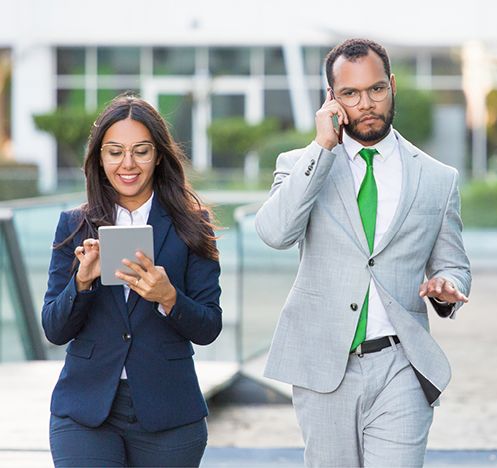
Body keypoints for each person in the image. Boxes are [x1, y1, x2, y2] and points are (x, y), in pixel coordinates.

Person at [255, 38, 471, 467]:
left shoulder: (436, 178)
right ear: (331, 99)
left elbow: (454, 264)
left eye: (376, 89)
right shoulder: (302, 163)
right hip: (323, 367)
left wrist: (449, 286)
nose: (366, 103)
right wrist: (322, 147)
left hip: (401, 365)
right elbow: (275, 233)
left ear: (391, 85)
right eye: (350, 94)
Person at [42, 94, 222, 467]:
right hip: (86, 410)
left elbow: (208, 327)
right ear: (99, 158)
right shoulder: (75, 225)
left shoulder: (192, 224)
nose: (128, 164)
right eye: (115, 151)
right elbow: (54, 329)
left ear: (158, 155)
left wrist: (169, 297)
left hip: (169, 412)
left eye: (141, 151)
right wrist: (81, 283)